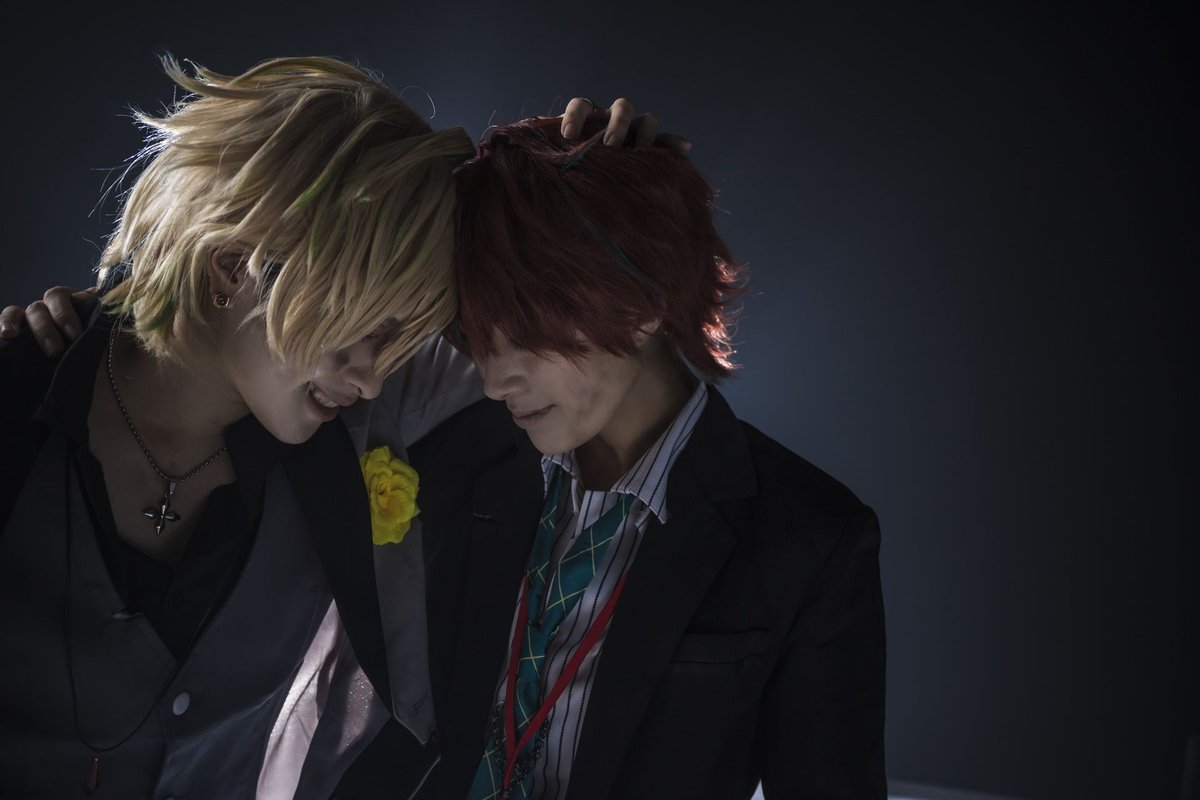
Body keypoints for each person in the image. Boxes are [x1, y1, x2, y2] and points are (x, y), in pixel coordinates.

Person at [0, 56, 644, 799]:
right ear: (232, 264)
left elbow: (571, 355)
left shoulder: (357, 419)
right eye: (359, 330)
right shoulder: (21, 401)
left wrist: (606, 190)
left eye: (396, 339)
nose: (371, 375)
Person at [343, 116, 888, 798]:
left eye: (525, 332)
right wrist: (542, 172)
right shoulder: (456, 454)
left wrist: (620, 205)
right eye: (476, 337)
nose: (494, 378)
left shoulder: (809, 539)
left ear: (640, 302)